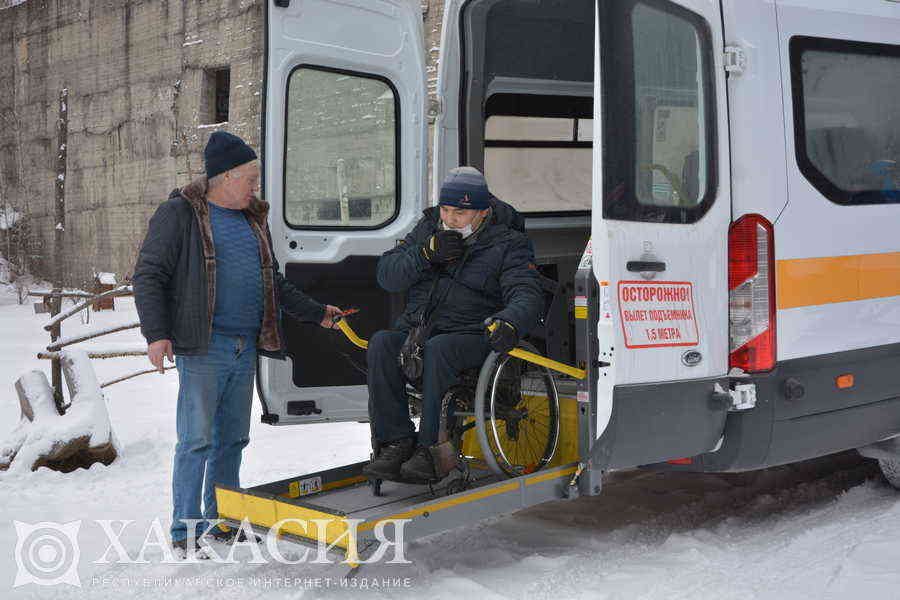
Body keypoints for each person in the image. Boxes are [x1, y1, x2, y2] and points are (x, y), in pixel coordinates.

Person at [133, 131, 341, 557]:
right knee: (196, 440)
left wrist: (317, 312)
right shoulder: (181, 214)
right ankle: (185, 531)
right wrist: (156, 334)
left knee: (232, 440)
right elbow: (149, 274)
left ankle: (223, 519)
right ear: (225, 177)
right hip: (203, 347)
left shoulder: (252, 220)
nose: (255, 187)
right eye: (250, 178)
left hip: (244, 347)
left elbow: (273, 284)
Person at [362, 166, 543, 483]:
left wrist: (509, 321)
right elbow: (386, 275)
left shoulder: (509, 243)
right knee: (381, 343)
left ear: (482, 211)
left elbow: (526, 294)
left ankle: (433, 451)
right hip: (422, 330)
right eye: (445, 210)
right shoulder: (429, 228)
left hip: (475, 335)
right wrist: (424, 254)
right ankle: (396, 442)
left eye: (460, 212)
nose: (449, 219)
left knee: (440, 348)